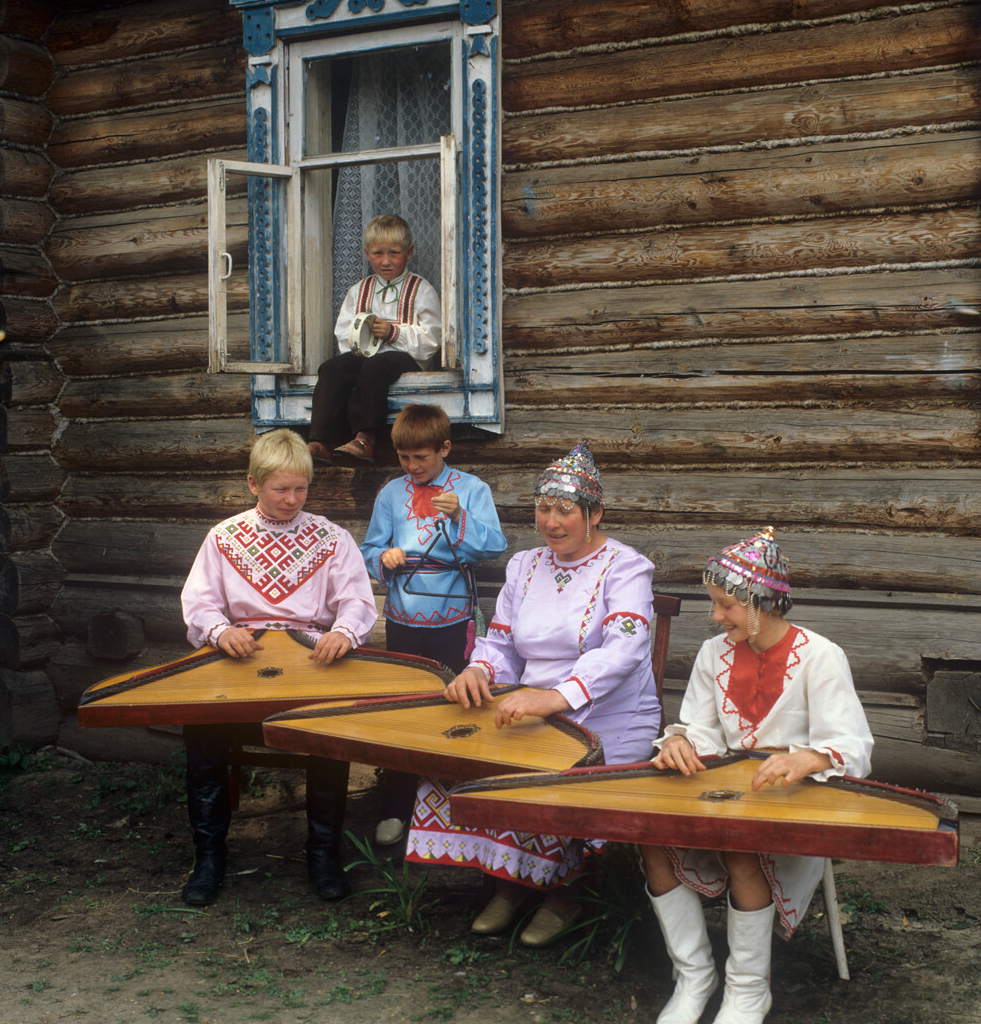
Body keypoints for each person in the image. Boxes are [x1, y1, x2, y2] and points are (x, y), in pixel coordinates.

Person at [406, 441, 662, 946]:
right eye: (543, 508)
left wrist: (558, 697)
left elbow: (625, 651)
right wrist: (479, 670)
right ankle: (510, 879)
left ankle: (564, 893)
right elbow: (500, 641)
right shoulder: (525, 565)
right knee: (461, 757)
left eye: (565, 510)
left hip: (611, 712)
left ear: (595, 513)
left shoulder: (626, 567)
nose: (552, 521)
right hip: (530, 704)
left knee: (555, 774)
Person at [639, 527, 873, 1024]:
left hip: (795, 807)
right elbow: (700, 729)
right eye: (715, 604)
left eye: (725, 605)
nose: (715, 616)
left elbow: (853, 746)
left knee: (740, 849)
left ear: (761, 604)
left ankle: (748, 992)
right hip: (722, 797)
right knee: (649, 836)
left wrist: (809, 757)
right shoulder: (711, 654)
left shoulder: (820, 656)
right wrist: (680, 742)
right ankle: (694, 978)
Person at [179, 428, 377, 906]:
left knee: (330, 729)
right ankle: (209, 857)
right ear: (253, 484)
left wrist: (342, 633)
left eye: (301, 489)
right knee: (202, 728)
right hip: (240, 659)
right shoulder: (223, 538)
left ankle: (323, 854)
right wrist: (220, 631)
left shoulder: (332, 538)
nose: (292, 499)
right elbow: (199, 602)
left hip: (310, 661)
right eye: (280, 489)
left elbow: (356, 600)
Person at [359, 403, 506, 844]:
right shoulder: (390, 493)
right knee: (406, 706)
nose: (412, 466)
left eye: (421, 457)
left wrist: (460, 516)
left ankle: (460, 803)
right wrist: (382, 558)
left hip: (454, 617)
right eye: (404, 458)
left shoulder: (471, 490)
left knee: (461, 704)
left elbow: (494, 545)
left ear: (445, 447)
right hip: (403, 617)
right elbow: (369, 548)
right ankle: (398, 804)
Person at [307, 214, 440, 465]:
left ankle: (366, 437)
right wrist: (363, 338)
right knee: (333, 367)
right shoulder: (359, 290)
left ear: (409, 252)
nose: (386, 261)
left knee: (375, 365)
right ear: (367, 253)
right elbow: (343, 333)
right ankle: (322, 439)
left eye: (394, 253)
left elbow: (431, 340)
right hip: (369, 360)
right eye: (378, 254)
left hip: (408, 361)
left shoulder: (421, 290)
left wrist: (393, 333)